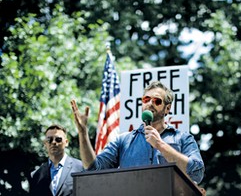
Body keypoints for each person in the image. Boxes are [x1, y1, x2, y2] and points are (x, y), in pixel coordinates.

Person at [70, 81, 205, 184]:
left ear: (167, 108)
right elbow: (93, 169)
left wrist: (161, 146)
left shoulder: (183, 138)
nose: (150, 103)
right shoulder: (122, 140)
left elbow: (196, 173)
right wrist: (83, 134)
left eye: (157, 101)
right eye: (146, 99)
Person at [29, 124, 83, 196]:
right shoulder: (36, 175)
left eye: (58, 139)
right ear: (45, 143)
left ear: (66, 142)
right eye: (49, 139)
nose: (54, 142)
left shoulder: (80, 167)